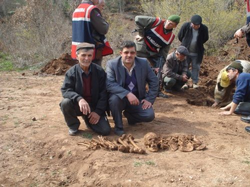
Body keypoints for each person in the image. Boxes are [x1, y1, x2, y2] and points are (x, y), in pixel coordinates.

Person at [106, 41, 159, 136]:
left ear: (136, 53)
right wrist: (127, 94)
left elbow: (154, 81)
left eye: (132, 52)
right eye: (126, 52)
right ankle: (119, 126)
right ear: (121, 53)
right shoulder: (112, 64)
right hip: (120, 98)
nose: (129, 55)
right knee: (114, 99)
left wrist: (149, 99)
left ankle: (130, 116)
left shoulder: (143, 63)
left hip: (138, 99)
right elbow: (109, 84)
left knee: (149, 115)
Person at [60, 42, 111, 136]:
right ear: (77, 55)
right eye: (83, 55)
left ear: (93, 56)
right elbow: (65, 90)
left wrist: (98, 112)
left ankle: (88, 119)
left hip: (94, 107)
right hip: (79, 106)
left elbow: (104, 93)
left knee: (105, 131)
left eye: (89, 55)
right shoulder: (71, 72)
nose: (86, 58)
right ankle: (73, 125)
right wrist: (79, 99)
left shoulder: (99, 71)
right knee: (65, 102)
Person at [134, 15, 181, 98]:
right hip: (141, 47)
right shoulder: (156, 22)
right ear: (166, 20)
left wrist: (161, 64)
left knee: (159, 68)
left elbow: (164, 51)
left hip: (152, 52)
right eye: (168, 22)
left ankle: (156, 91)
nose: (168, 25)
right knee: (142, 66)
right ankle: (139, 90)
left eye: (171, 24)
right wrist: (141, 34)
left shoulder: (170, 37)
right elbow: (138, 19)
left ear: (175, 26)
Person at [71, 0, 113, 66]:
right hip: (90, 53)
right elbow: (104, 29)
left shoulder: (77, 10)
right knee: (95, 74)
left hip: (79, 51)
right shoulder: (91, 10)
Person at [178, 14, 209, 89]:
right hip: (186, 52)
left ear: (199, 24)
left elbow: (205, 38)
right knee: (184, 67)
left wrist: (198, 43)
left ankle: (195, 82)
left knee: (196, 67)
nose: (194, 26)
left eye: (196, 25)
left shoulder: (204, 28)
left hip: (197, 52)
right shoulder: (186, 26)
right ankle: (184, 83)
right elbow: (180, 36)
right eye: (193, 24)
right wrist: (185, 43)